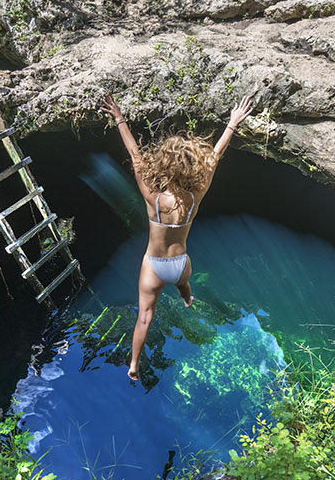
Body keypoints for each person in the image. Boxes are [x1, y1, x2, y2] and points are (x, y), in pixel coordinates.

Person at [99, 93, 254, 380]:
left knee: (145, 317)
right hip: (180, 263)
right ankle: (186, 296)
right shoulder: (196, 197)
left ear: (165, 166)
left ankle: (133, 365)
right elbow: (215, 157)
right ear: (191, 167)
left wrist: (119, 117)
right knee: (182, 281)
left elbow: (135, 156)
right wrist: (232, 123)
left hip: (154, 266)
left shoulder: (153, 199)